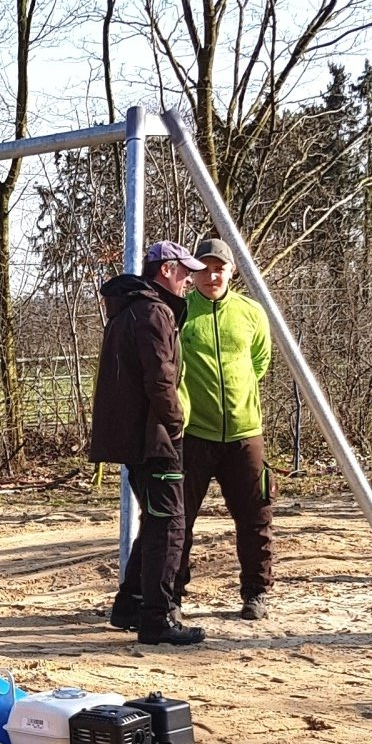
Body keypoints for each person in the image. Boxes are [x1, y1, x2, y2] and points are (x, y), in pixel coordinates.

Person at [89, 241, 207, 646]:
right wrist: (174, 425)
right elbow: (160, 378)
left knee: (156, 520)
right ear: (167, 270)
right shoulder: (153, 312)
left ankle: (129, 606)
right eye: (186, 271)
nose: (190, 280)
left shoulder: (130, 310)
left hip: (136, 438)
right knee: (170, 526)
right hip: (154, 438)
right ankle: (157, 619)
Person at [174, 238, 275, 621]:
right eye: (205, 267)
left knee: (255, 517)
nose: (213, 274)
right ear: (194, 271)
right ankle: (173, 596)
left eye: (220, 267)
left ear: (232, 271)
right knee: (178, 519)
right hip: (194, 434)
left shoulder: (252, 313)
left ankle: (256, 592)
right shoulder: (180, 313)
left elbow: (259, 362)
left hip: (245, 434)